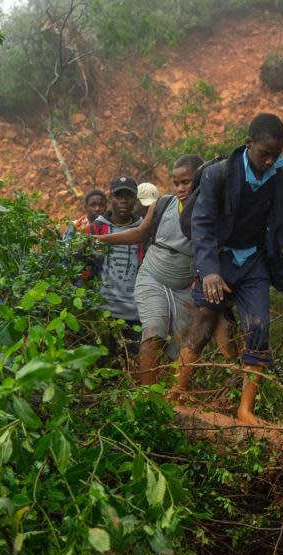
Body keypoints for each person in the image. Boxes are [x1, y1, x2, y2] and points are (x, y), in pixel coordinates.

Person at [168, 113, 283, 424]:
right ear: (248, 145)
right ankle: (177, 391)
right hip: (220, 260)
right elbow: (202, 225)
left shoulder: (280, 178)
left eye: (276, 154)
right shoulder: (218, 174)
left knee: (259, 329)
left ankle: (245, 410)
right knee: (203, 326)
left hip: (255, 263)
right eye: (264, 153)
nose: (270, 161)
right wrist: (210, 272)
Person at [97, 156, 237, 387]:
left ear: (201, 180)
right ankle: (146, 396)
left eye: (187, 182)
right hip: (153, 277)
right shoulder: (163, 205)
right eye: (176, 183)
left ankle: (170, 398)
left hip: (183, 288)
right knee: (154, 331)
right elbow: (141, 233)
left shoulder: (212, 211)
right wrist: (100, 239)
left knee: (178, 348)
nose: (181, 188)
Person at [84, 176, 144, 360]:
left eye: (129, 196)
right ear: (111, 198)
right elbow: (84, 267)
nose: (124, 201)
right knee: (105, 365)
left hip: (136, 314)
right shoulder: (95, 229)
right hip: (103, 312)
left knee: (134, 364)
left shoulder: (144, 229)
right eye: (119, 196)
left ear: (136, 199)